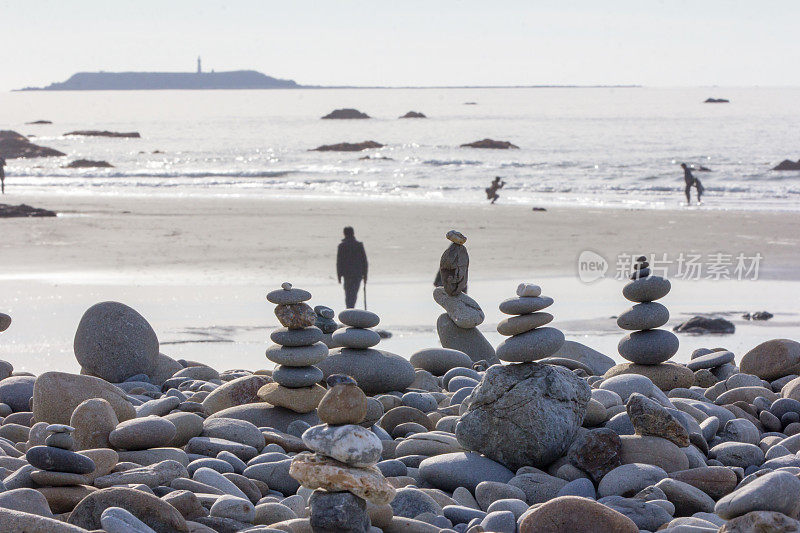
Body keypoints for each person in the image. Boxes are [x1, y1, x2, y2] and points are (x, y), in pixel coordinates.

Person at [336, 226, 368, 309]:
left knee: (348, 293)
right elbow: (364, 261)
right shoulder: (358, 245)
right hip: (358, 274)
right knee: (354, 293)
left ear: (344, 234)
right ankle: (351, 309)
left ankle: (349, 309)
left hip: (347, 274)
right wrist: (365, 275)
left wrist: (339, 275)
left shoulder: (342, 246)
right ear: (353, 233)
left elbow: (339, 262)